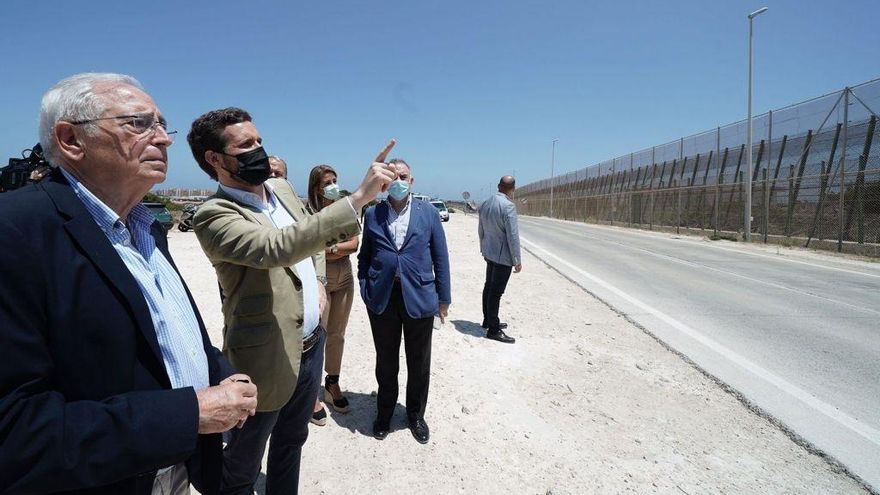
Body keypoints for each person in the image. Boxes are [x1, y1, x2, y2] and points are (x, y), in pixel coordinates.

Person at [0, 73, 257, 495]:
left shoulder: (144, 227)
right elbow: (15, 431)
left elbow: (165, 333)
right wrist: (188, 415)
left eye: (161, 123)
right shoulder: (16, 233)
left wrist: (223, 374)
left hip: (176, 467)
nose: (165, 139)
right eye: (139, 124)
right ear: (70, 139)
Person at [187, 107, 396, 494]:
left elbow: (310, 236)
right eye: (246, 145)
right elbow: (277, 246)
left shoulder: (280, 189)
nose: (259, 151)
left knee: (291, 442)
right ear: (214, 159)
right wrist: (359, 199)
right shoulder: (214, 215)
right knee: (243, 463)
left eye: (260, 141)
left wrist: (318, 280)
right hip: (264, 357)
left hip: (310, 348)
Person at [358, 158, 451, 444]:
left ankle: (415, 415)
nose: (399, 180)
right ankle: (384, 413)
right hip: (383, 298)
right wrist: (366, 288)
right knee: (386, 361)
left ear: (411, 181)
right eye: (394, 176)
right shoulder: (373, 213)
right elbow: (364, 257)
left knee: (419, 361)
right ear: (385, 182)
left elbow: (440, 256)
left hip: (420, 297)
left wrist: (443, 298)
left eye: (404, 176)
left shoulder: (429, 213)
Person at [306, 164, 359, 426]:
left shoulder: (345, 208)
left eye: (335, 179)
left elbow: (354, 244)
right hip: (319, 281)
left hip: (345, 280)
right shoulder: (307, 212)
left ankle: (332, 383)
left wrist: (330, 247)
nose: (333, 185)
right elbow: (304, 247)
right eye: (328, 181)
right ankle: (310, 393)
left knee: (337, 334)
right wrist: (335, 249)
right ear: (316, 186)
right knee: (317, 337)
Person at [478, 175, 522, 344]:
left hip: (489, 252)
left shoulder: (486, 203)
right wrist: (517, 259)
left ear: (498, 186)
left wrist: (483, 248)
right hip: (503, 256)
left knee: (489, 287)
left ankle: (488, 320)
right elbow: (512, 236)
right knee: (496, 292)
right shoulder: (508, 206)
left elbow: (481, 228)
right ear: (513, 189)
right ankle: (493, 330)